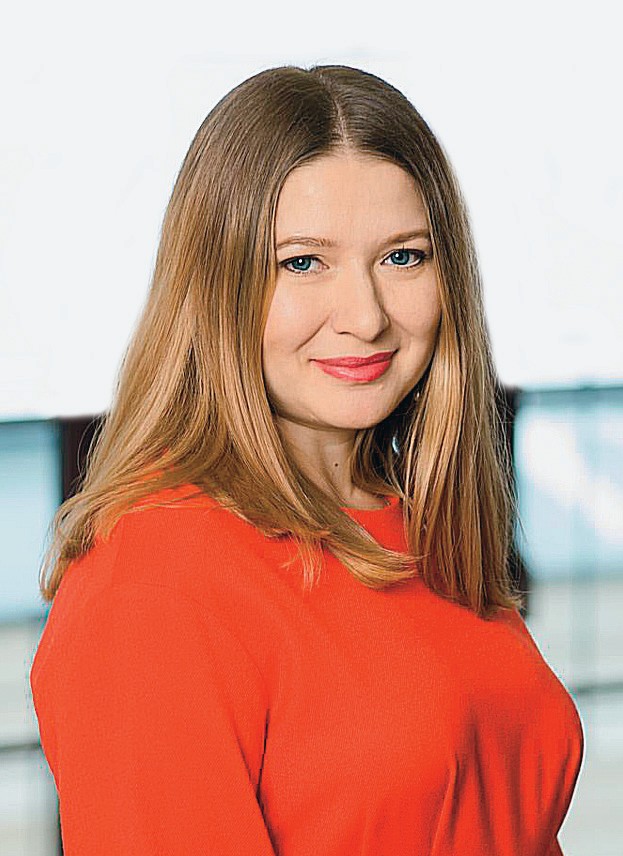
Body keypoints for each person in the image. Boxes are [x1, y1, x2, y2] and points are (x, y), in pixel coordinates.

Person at [30, 64, 584, 855]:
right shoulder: (156, 581)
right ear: (215, 283)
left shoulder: (415, 526)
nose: (364, 316)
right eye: (301, 262)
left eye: (402, 257)